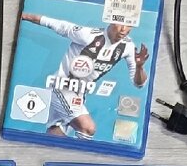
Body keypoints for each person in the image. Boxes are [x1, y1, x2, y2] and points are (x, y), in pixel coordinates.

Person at [21, 12, 149, 138]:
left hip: (79, 94)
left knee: (56, 135)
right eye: (120, 24)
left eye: (129, 25)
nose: (124, 29)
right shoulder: (87, 35)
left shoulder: (128, 47)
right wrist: (22, 15)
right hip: (61, 87)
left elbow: (139, 84)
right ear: (111, 21)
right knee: (88, 128)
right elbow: (54, 23)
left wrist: (139, 67)